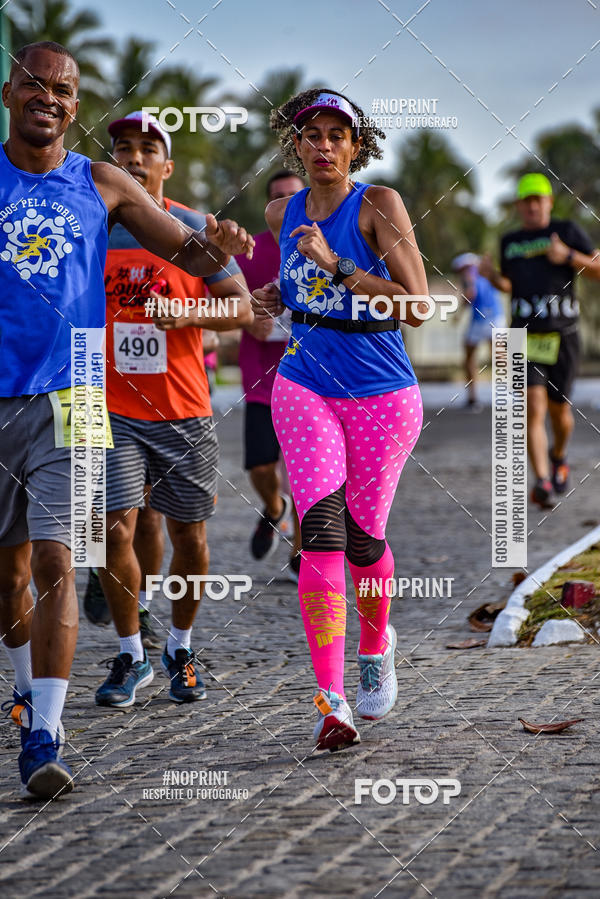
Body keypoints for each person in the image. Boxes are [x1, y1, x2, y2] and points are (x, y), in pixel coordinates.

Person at [0, 42, 253, 800]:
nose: (49, 96)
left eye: (64, 89)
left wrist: (224, 250)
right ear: (9, 92)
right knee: (8, 571)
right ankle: (20, 690)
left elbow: (195, 251)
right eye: (35, 84)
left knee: (56, 559)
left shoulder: (102, 181)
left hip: (77, 395)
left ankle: (46, 730)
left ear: (74, 107)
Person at [252, 89, 428, 752]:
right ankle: (332, 700)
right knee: (319, 530)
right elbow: (292, 290)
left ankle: (377, 645)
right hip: (305, 384)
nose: (323, 145)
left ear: (356, 144)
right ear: (294, 143)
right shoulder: (280, 212)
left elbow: (415, 306)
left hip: (383, 390)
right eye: (311, 134)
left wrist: (339, 265)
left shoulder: (378, 205)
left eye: (336, 134)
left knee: (362, 536)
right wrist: (280, 291)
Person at [93, 110, 253, 708]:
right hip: (105, 404)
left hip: (183, 408)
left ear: (167, 166)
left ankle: (180, 646)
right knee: (113, 529)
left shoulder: (190, 226)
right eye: (122, 148)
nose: (133, 158)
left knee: (190, 535)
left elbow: (241, 312)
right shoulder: (91, 224)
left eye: (146, 148)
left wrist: (187, 315)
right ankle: (131, 654)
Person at [480, 173, 600, 508]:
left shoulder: (567, 232)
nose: (532, 206)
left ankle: (558, 455)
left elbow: (597, 267)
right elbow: (511, 286)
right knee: (532, 406)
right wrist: (493, 277)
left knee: (560, 412)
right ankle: (543, 481)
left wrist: (568, 257)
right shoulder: (510, 241)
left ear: (548, 202)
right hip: (523, 335)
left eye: (538, 199)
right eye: (526, 200)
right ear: (519, 205)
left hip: (563, 336)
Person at [236, 169, 304, 579]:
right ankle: (275, 508)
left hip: (311, 378)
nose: (284, 206)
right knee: (262, 467)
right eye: (276, 198)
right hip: (262, 378)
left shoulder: (323, 246)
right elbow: (227, 301)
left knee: (305, 472)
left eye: (292, 198)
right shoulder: (251, 251)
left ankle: (300, 549)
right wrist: (249, 318)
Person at [451, 252, 506, 411]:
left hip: (481, 320)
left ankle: (473, 398)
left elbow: (470, 295)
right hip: (497, 316)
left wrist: (458, 315)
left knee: (469, 357)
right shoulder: (487, 273)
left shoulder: (469, 275)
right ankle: (507, 396)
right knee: (500, 358)